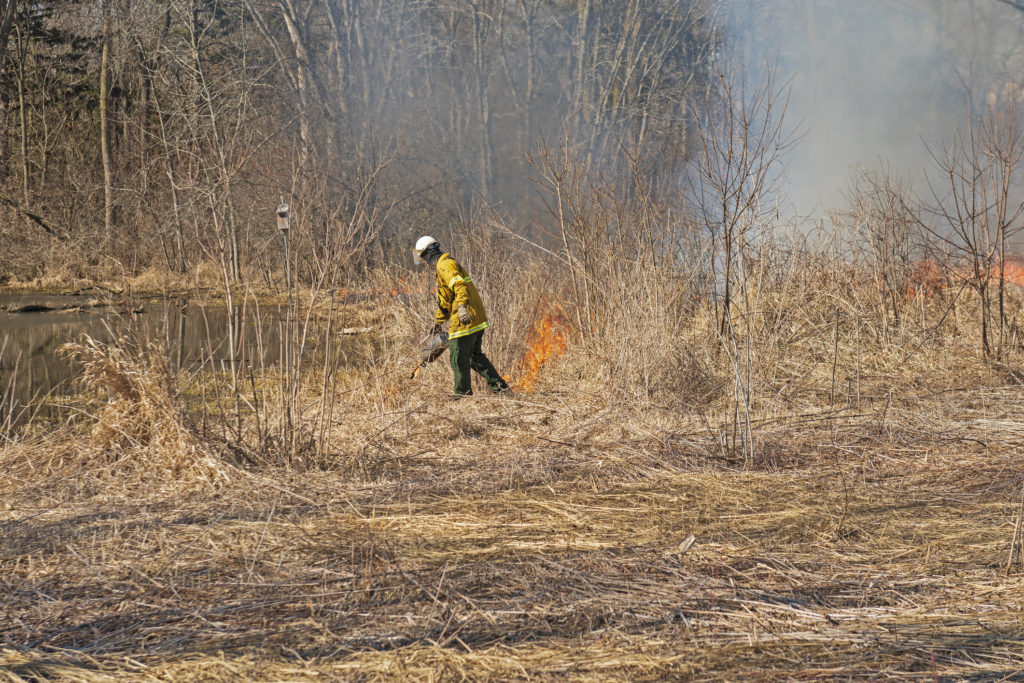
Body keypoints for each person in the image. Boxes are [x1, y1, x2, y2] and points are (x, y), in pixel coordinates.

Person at [415, 236, 509, 396]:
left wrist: (462, 308)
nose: (424, 262)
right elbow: (445, 301)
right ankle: (500, 388)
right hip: (476, 317)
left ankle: (462, 396)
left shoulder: (444, 265)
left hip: (465, 318)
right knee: (475, 357)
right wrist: (437, 323)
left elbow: (459, 286)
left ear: (427, 253)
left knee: (457, 358)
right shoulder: (444, 266)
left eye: (423, 257)